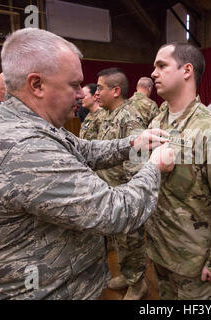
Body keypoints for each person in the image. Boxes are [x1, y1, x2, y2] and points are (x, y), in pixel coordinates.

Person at [0, 28, 175, 300]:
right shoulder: (25, 149)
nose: (82, 94)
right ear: (36, 85)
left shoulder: (28, 123)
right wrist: (154, 167)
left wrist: (132, 143)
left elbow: (84, 149)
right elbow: (115, 212)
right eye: (73, 85)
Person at [147, 42, 211, 300]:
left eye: (161, 66)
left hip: (194, 263)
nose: (153, 73)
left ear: (186, 70)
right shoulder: (156, 122)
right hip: (160, 251)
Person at [94, 67, 149, 300]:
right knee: (120, 241)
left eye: (99, 88)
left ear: (115, 91)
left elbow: (138, 163)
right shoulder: (107, 115)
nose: (96, 92)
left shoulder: (131, 117)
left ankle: (138, 283)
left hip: (125, 195)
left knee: (131, 241)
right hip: (110, 192)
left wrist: (129, 199)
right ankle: (128, 276)